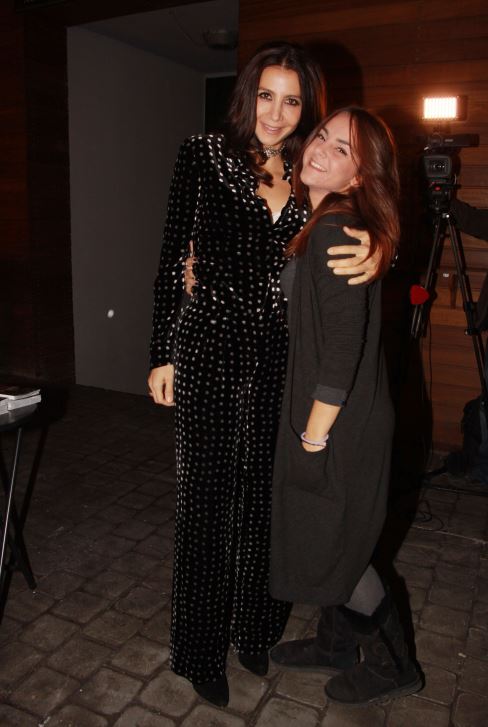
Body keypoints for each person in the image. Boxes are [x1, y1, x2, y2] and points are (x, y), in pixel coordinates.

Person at [148, 42, 378, 707]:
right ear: (246, 95)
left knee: (262, 504)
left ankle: (253, 629)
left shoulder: (310, 174)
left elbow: (361, 212)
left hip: (282, 357)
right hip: (209, 349)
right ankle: (197, 648)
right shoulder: (203, 155)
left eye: (292, 101)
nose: (276, 114)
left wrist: (380, 244)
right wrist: (161, 352)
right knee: (204, 506)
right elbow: (170, 258)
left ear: (307, 109)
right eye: (266, 96)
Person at [269, 107, 423, 706]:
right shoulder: (329, 220)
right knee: (331, 535)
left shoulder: (337, 230)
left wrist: (313, 439)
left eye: (342, 150)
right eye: (323, 136)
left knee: (340, 547)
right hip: (341, 412)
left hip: (339, 420)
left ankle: (393, 667)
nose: (321, 150)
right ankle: (335, 644)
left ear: (359, 176)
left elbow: (340, 352)